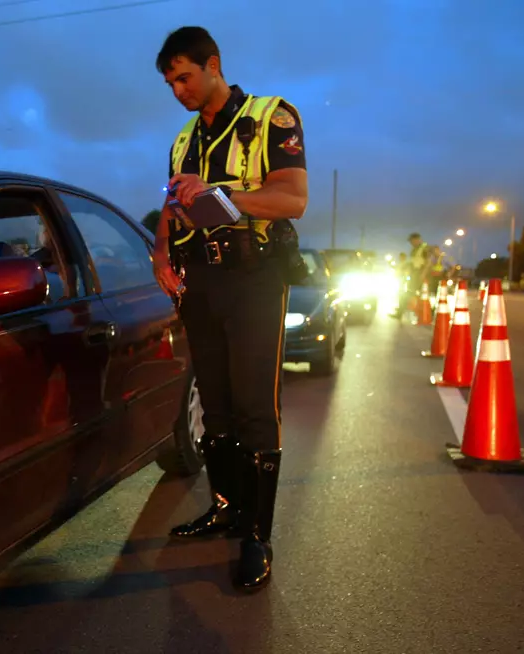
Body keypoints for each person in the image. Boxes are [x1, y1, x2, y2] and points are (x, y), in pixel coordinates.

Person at [152, 26, 308, 592]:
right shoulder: (182, 139)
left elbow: (293, 198)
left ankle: (257, 537)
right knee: (213, 403)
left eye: (185, 77)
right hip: (201, 280)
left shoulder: (271, 116)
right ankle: (224, 508)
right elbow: (171, 202)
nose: (178, 90)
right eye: (170, 82)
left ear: (213, 64)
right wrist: (161, 253)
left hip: (255, 276)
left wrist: (217, 197)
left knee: (253, 407)